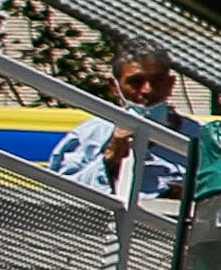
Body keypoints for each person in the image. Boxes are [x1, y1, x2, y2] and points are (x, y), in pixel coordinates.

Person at [41, 46, 191, 203]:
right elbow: (59, 195)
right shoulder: (91, 134)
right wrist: (111, 158)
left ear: (171, 84)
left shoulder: (201, 136)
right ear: (114, 87)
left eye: (157, 80)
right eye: (136, 82)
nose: (147, 90)